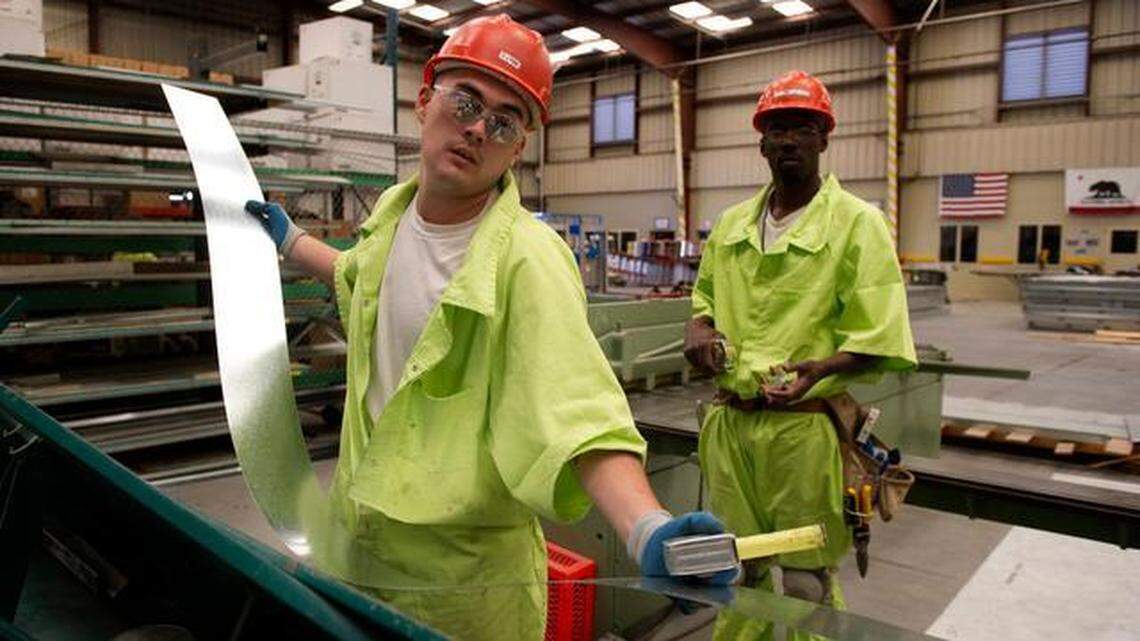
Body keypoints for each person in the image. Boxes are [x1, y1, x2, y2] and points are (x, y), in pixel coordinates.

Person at [245, 15, 732, 640]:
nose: (477, 127)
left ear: (518, 147)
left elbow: (578, 411)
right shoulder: (390, 225)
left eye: (504, 121)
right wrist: (291, 240)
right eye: (466, 102)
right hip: (355, 549)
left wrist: (644, 527)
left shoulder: (527, 260)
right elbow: (358, 277)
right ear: (425, 104)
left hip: (462, 589)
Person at [684, 70, 917, 640]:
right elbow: (706, 296)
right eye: (777, 128)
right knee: (737, 566)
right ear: (761, 142)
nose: (789, 140)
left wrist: (822, 370)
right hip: (731, 426)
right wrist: (698, 327)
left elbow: (880, 333)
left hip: (804, 434)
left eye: (802, 128)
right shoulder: (734, 224)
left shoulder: (857, 225)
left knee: (805, 575)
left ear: (824, 139)